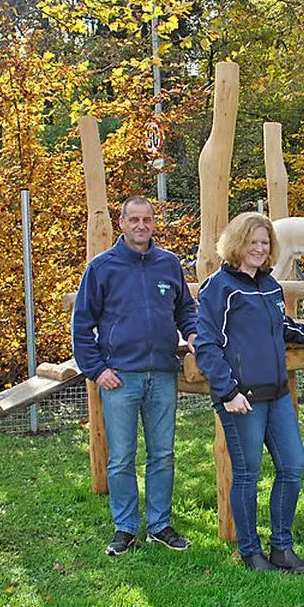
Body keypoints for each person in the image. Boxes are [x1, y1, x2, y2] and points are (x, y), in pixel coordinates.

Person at [71, 196, 198, 556]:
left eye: (147, 219)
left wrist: (191, 334)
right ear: (122, 223)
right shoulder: (102, 268)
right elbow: (82, 326)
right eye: (134, 220)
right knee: (122, 457)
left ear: (154, 223)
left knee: (163, 454)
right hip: (120, 378)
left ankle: (160, 525)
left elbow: (185, 311)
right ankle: (125, 527)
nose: (141, 225)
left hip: (161, 374)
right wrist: (97, 370)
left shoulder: (168, 264)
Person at [194, 212, 304, 574]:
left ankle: (282, 548)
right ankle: (251, 552)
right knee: (248, 475)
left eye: (265, 243)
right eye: (253, 242)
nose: (259, 249)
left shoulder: (271, 286)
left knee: (293, 466)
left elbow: (279, 325)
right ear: (237, 244)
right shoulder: (219, 287)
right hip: (240, 397)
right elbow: (207, 344)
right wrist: (228, 391)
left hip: (276, 394)